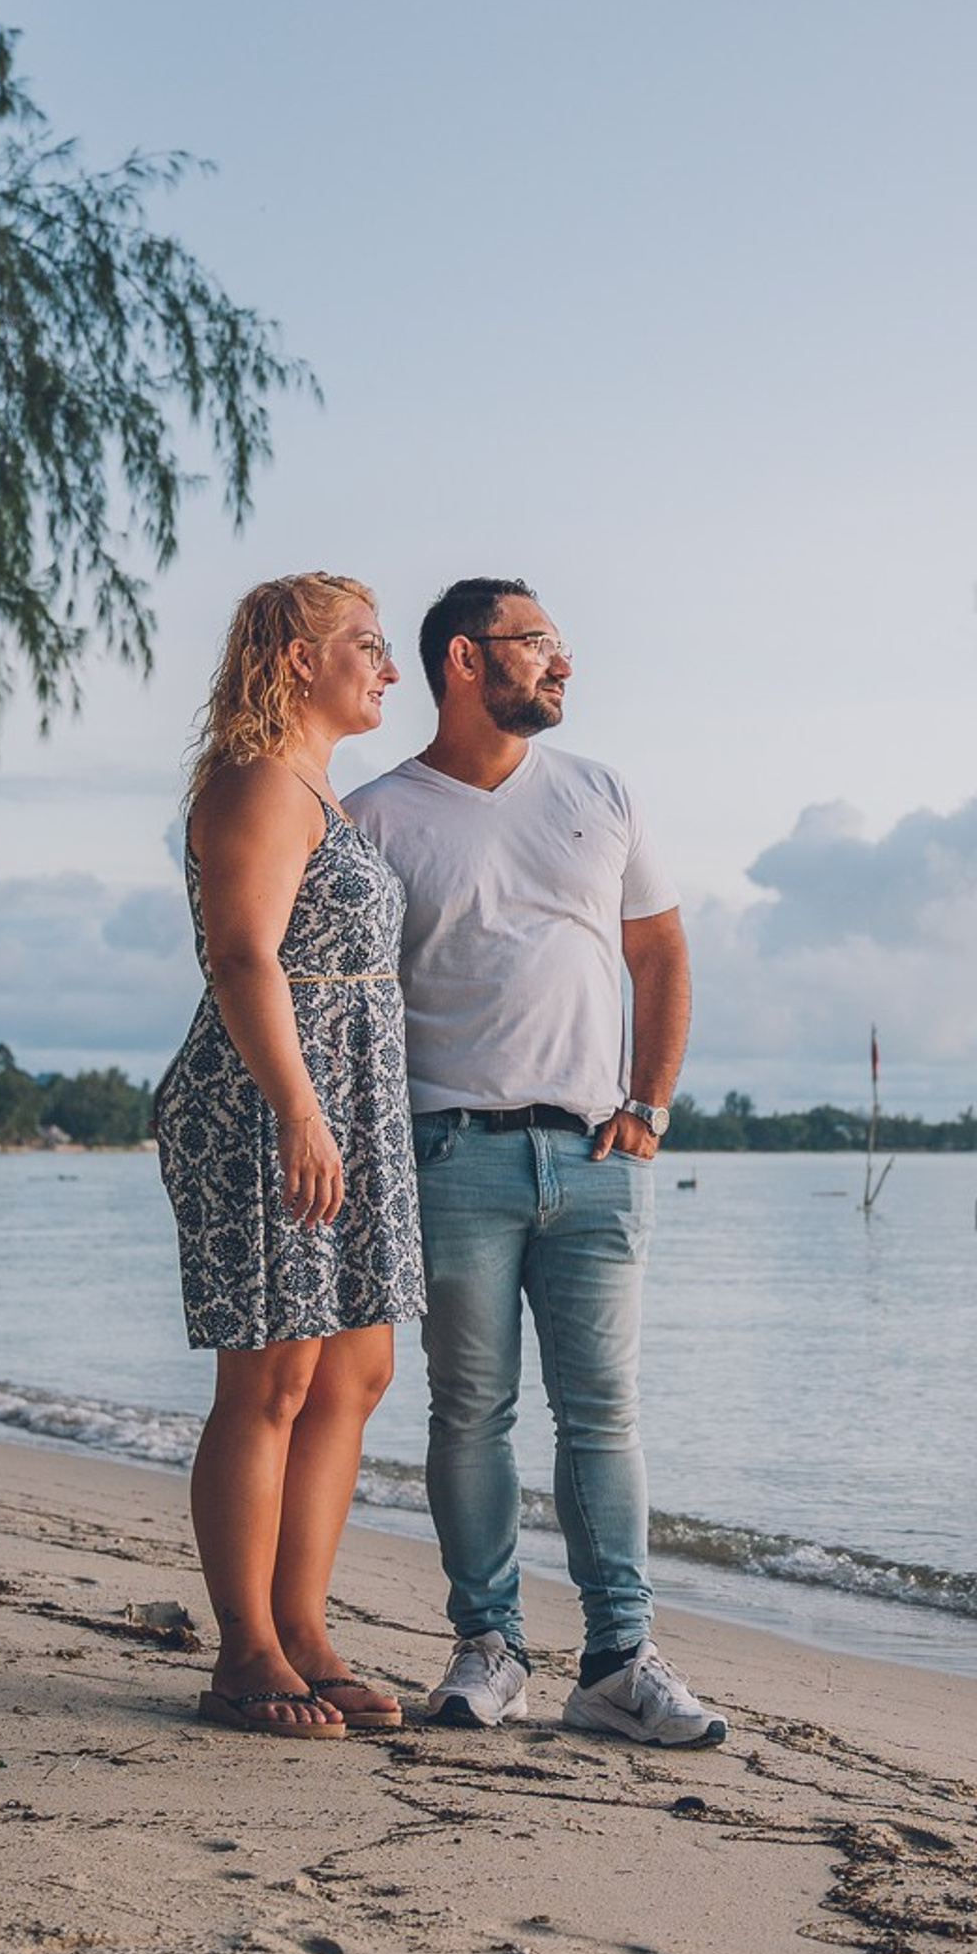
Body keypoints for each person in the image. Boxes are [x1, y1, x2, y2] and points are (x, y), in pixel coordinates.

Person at [348, 576, 721, 1745]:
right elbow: (348, 1009)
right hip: (447, 1150)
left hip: (598, 1154)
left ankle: (618, 1659)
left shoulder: (599, 790)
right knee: (469, 1413)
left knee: (604, 1414)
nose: (562, 666)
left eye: (560, 647)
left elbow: (658, 955)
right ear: (467, 660)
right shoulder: (373, 817)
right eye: (539, 645)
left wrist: (649, 1108)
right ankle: (488, 1645)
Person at [152, 573, 426, 1739]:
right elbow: (245, 958)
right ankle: (246, 1651)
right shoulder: (259, 781)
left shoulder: (318, 785)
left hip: (348, 1103)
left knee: (355, 1372)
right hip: (276, 1103)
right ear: (297, 658)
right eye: (366, 644)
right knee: (268, 1381)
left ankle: (304, 1627)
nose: (388, 665)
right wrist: (303, 1115)